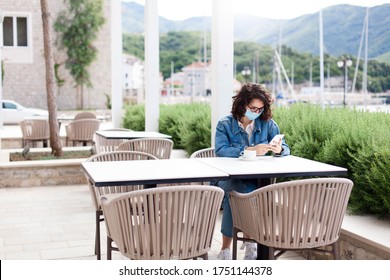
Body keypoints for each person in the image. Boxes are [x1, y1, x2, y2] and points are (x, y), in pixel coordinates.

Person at [214, 83, 290, 260]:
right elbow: (221, 150)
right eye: (253, 108)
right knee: (238, 193)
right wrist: (250, 150)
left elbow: (285, 148)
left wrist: (279, 149)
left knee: (247, 192)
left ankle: (232, 248)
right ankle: (246, 243)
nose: (256, 112)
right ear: (242, 104)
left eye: (260, 109)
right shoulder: (225, 124)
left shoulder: (267, 124)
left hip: (258, 178)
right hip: (230, 176)